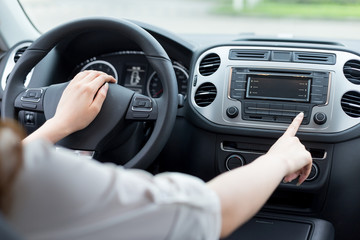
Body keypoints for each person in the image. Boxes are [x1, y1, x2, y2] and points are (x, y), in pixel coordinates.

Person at [0, 70, 312, 240]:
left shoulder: (16, 170)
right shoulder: (37, 180)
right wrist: (280, 159)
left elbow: (11, 160)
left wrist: (60, 124)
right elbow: (208, 214)